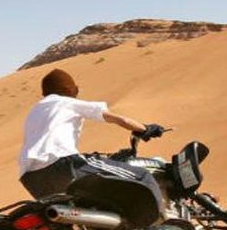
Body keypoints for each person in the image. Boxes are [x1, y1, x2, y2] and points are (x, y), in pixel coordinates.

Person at [18, 68, 165, 207]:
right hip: (62, 164)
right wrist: (145, 129)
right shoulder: (66, 102)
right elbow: (120, 120)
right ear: (68, 89)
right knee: (142, 176)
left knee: (84, 205)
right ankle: (162, 226)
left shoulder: (36, 110)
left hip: (31, 177)